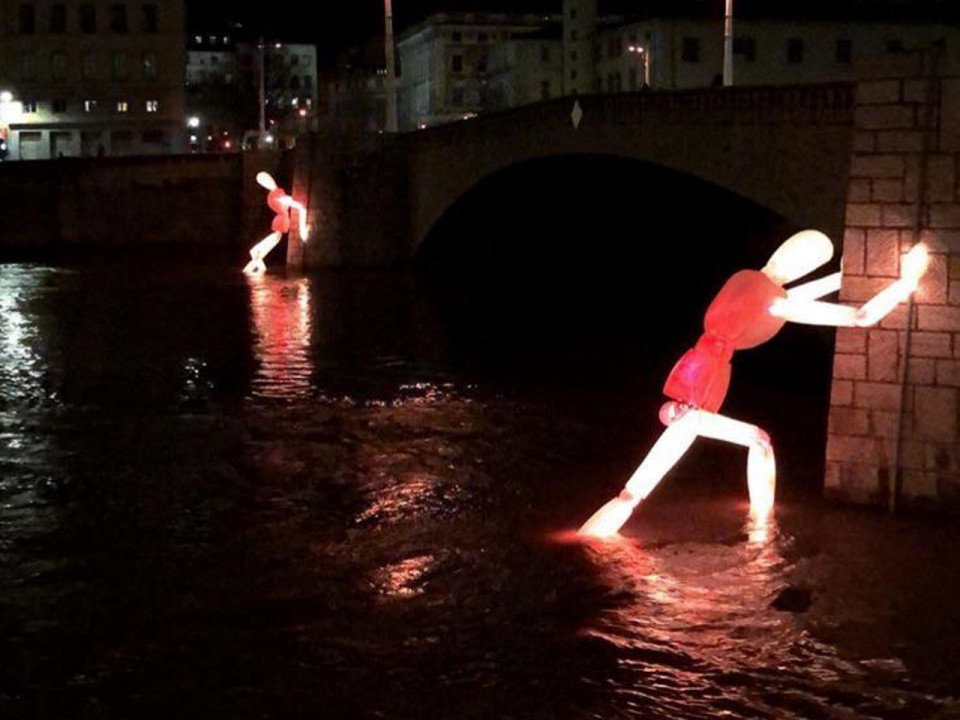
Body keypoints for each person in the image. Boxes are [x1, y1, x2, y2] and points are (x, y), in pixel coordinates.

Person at [579, 229, 929, 538]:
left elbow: (798, 296)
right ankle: (761, 530)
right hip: (698, 390)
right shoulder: (773, 302)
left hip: (690, 380)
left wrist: (845, 274)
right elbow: (859, 317)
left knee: (645, 485)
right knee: (753, 442)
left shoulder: (747, 281)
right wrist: (905, 283)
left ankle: (759, 524)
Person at [243, 172, 309, 275]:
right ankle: (255, 260)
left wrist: (302, 225)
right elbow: (296, 205)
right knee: (273, 239)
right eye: (264, 182)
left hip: (281, 221)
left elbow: (294, 204)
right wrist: (302, 226)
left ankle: (257, 264)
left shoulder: (277, 195)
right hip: (280, 222)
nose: (267, 182)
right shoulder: (276, 196)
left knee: (272, 240)